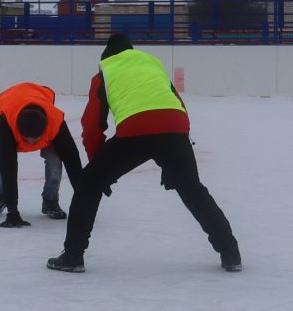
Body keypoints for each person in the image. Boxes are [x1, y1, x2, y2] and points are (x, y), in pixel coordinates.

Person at [48, 33, 241, 274]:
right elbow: (178, 106)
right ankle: (231, 253)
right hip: (175, 128)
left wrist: (98, 169)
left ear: (107, 57)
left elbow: (92, 127)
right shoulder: (153, 65)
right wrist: (176, 156)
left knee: (88, 184)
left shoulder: (104, 73)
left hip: (135, 129)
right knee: (192, 189)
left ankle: (73, 256)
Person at [0, 81, 80, 227]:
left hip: (36, 99)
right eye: (26, 141)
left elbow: (72, 159)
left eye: (35, 141)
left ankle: (50, 201)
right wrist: (12, 212)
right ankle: (1, 195)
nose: (31, 145)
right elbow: (8, 166)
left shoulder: (56, 123)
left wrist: (84, 195)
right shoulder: (7, 124)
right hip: (8, 105)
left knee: (55, 158)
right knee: (0, 162)